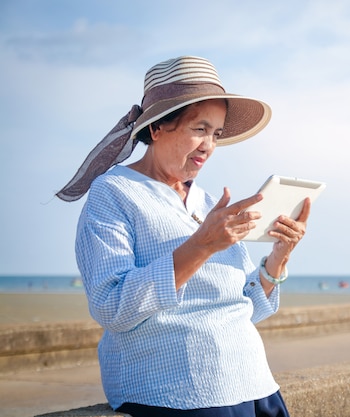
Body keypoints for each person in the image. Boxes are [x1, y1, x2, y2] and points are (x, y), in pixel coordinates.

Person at [56, 56, 310, 416]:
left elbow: (243, 308)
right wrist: (201, 245)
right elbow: (111, 306)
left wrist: (279, 256)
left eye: (216, 134)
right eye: (199, 129)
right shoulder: (114, 192)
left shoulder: (207, 203)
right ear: (157, 128)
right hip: (177, 391)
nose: (209, 145)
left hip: (253, 384)